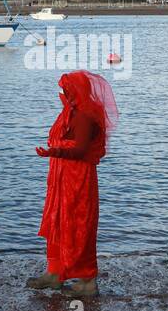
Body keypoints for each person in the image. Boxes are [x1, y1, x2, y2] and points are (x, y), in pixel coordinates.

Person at [29, 70, 119, 297]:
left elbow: (79, 150)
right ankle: (55, 272)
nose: (63, 93)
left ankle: (87, 282)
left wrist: (54, 151)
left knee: (78, 225)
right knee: (58, 221)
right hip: (62, 177)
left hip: (77, 178)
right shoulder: (71, 112)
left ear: (76, 91)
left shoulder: (84, 116)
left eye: (67, 89)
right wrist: (55, 152)